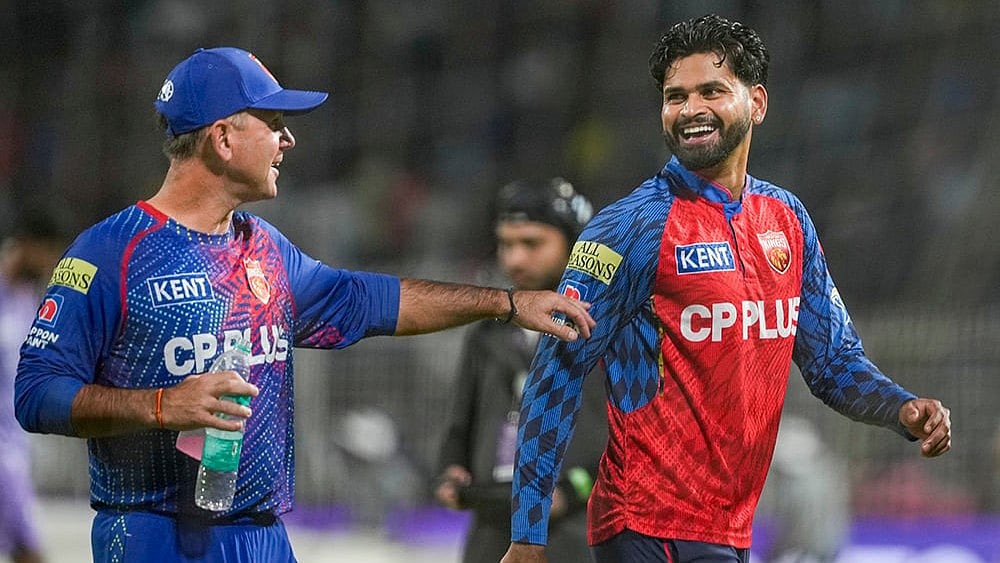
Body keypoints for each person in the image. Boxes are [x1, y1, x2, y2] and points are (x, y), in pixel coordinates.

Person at [12, 47, 595, 563]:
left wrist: (508, 303)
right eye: (273, 123)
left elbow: (370, 299)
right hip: (152, 535)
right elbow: (36, 394)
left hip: (262, 537)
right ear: (223, 138)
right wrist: (164, 405)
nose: (287, 139)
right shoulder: (111, 251)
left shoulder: (265, 249)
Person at [500, 14, 952, 563]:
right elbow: (555, 376)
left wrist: (902, 409)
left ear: (756, 103)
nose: (690, 110)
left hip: (728, 532)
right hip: (646, 525)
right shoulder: (631, 228)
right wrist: (527, 537)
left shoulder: (787, 219)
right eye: (675, 96)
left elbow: (833, 360)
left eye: (711, 90)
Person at [434, 178, 607, 563]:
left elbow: (627, 438)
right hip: (492, 530)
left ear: (574, 244)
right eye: (506, 244)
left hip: (577, 535)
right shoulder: (486, 333)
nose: (514, 260)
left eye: (532, 243)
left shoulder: (606, 329)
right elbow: (459, 425)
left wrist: (574, 490)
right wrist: (451, 470)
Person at [0, 217, 63, 563]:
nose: (50, 263)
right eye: (48, 252)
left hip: (16, 447)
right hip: (3, 456)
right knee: (28, 550)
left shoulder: (30, 301)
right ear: (26, 243)